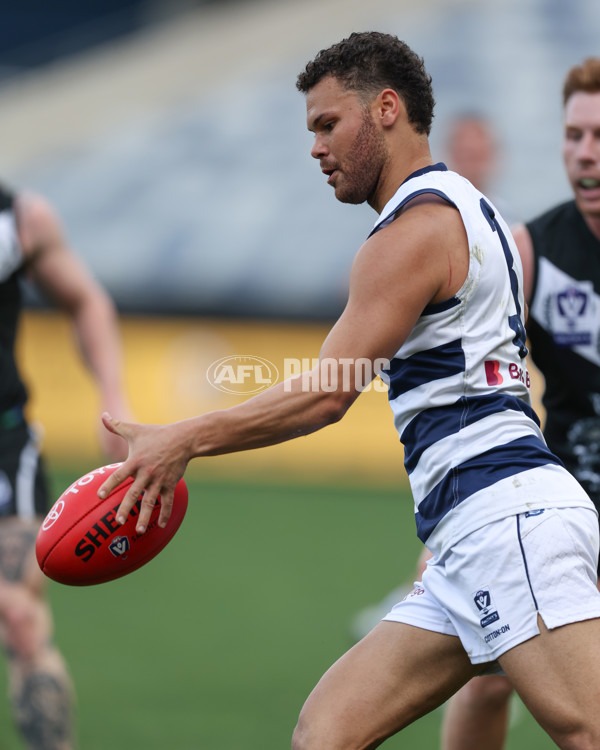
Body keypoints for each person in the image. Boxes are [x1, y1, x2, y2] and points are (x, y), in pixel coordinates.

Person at [97, 33, 600, 749]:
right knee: (324, 733)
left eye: (327, 124)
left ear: (386, 109)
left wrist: (186, 437)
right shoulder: (473, 207)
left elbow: (327, 393)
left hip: (506, 521)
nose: (315, 147)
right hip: (474, 531)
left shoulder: (412, 233)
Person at [439, 56, 600, 750]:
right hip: (565, 506)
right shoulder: (530, 251)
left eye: (599, 137)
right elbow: (482, 390)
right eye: (573, 136)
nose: (585, 155)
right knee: (487, 672)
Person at [0, 183, 130, 749]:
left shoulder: (20, 219)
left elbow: (86, 300)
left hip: (5, 448)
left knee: (23, 621)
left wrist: (114, 400)